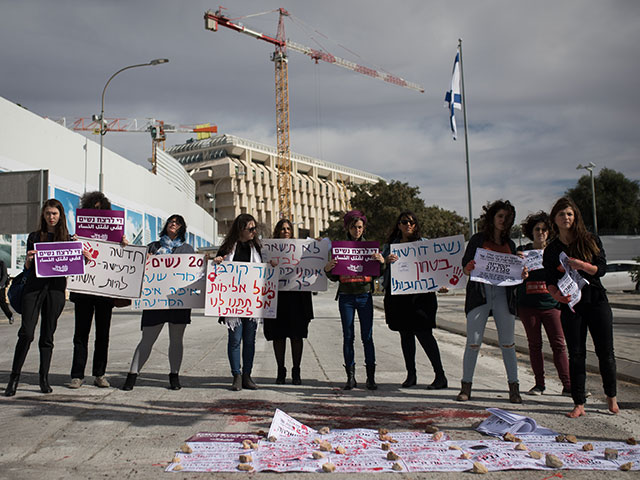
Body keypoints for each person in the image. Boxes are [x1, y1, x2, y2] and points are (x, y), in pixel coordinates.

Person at [543, 197, 619, 418]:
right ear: (554, 219)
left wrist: (582, 265)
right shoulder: (552, 249)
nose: (565, 218)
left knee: (606, 352)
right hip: (571, 306)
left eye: (569, 214)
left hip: (596, 300)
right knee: (576, 354)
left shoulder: (590, 239)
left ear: (575, 216)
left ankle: (611, 398)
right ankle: (579, 403)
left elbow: (601, 269)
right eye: (561, 214)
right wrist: (556, 294)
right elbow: (549, 279)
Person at [457, 199, 527, 404]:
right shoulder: (477, 239)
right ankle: (466, 388)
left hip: (503, 296)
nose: (503, 221)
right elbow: (464, 268)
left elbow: (515, 274)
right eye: (500, 216)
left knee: (508, 343)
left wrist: (522, 272)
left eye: (507, 218)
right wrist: (468, 267)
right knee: (473, 342)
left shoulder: (511, 244)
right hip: (480, 294)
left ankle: (514, 388)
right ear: (492, 217)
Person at [5, 199, 71, 396]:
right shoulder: (34, 236)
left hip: (56, 289)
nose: (51, 217)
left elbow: (76, 264)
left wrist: (82, 257)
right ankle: (13, 378)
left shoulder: (68, 239)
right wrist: (27, 261)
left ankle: (43, 377)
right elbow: (27, 268)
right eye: (48, 213)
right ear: (43, 215)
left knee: (48, 335)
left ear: (60, 216)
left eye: (55, 214)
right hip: (33, 287)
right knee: (26, 332)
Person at [122, 215, 193, 391]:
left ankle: (174, 376)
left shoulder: (187, 249)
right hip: (155, 301)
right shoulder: (153, 246)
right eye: (171, 221)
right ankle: (132, 375)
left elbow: (194, 274)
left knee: (176, 340)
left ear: (182, 227)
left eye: (177, 222)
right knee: (147, 339)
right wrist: (144, 257)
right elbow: (136, 265)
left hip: (178, 302)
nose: (173, 224)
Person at [382, 211, 448, 390]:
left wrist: (442, 283)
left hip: (422, 298)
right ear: (399, 225)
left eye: (412, 222)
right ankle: (411, 375)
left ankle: (440, 375)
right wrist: (385, 261)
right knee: (405, 335)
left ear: (416, 225)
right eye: (404, 222)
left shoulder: (425, 244)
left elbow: (437, 267)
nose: (408, 225)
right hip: (398, 297)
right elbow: (379, 268)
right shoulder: (390, 246)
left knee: (425, 334)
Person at [69, 191, 128, 389]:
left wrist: (124, 247)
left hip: (105, 292)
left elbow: (122, 261)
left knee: (103, 335)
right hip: (84, 289)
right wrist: (75, 244)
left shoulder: (115, 236)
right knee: (81, 334)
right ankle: (77, 375)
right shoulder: (77, 236)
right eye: (93, 208)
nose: (97, 211)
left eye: (100, 209)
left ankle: (99, 374)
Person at [325, 210, 384, 391]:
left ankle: (370, 378)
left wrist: (381, 262)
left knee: (367, 336)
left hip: (364, 296)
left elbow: (378, 274)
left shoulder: (371, 248)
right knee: (348, 336)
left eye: (359, 227)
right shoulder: (338, 249)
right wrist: (328, 269)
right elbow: (335, 278)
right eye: (353, 227)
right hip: (346, 297)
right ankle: (350, 377)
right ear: (348, 228)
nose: (357, 230)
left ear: (363, 228)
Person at [516, 212, 571, 396]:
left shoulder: (556, 252)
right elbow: (513, 279)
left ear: (549, 232)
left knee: (559, 344)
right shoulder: (522, 252)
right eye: (537, 229)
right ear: (531, 232)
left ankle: (568, 385)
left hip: (551, 305)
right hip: (528, 306)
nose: (541, 232)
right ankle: (539, 384)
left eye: (544, 229)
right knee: (534, 345)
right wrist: (519, 272)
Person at [214, 213, 267, 391]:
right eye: (250, 229)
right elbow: (216, 270)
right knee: (235, 339)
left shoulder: (257, 249)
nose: (254, 232)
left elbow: (263, 271)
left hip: (252, 302)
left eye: (255, 228)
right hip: (232, 302)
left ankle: (247, 375)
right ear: (240, 229)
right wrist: (217, 261)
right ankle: (236, 375)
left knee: (250, 341)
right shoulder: (227, 248)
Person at [263, 219, 314, 385]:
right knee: (278, 336)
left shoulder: (302, 248)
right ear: (277, 231)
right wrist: (270, 264)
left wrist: (318, 245)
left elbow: (315, 258)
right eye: (282, 229)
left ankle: (296, 370)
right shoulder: (268, 249)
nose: (285, 231)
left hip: (298, 296)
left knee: (297, 335)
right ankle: (281, 370)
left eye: (288, 229)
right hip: (277, 296)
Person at [0, 258, 14, 324]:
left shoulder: (1, 263)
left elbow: (4, 275)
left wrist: (1, 285)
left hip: (1, 287)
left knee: (2, 303)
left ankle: (10, 316)